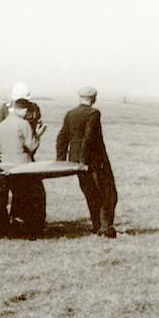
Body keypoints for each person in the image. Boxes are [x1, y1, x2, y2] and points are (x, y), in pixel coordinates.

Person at [57, 86, 118, 238]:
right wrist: (84, 161)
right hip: (93, 161)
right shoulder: (94, 113)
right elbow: (89, 137)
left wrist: (61, 160)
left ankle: (97, 226)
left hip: (75, 161)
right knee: (107, 192)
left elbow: (62, 137)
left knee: (90, 193)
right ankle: (105, 228)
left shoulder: (70, 113)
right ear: (94, 98)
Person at [0, 98, 47, 231]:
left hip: (6, 165)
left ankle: (14, 220)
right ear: (23, 110)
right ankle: (29, 223)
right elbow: (31, 146)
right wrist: (38, 135)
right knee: (30, 194)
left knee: (16, 193)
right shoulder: (23, 124)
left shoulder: (2, 124)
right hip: (23, 165)